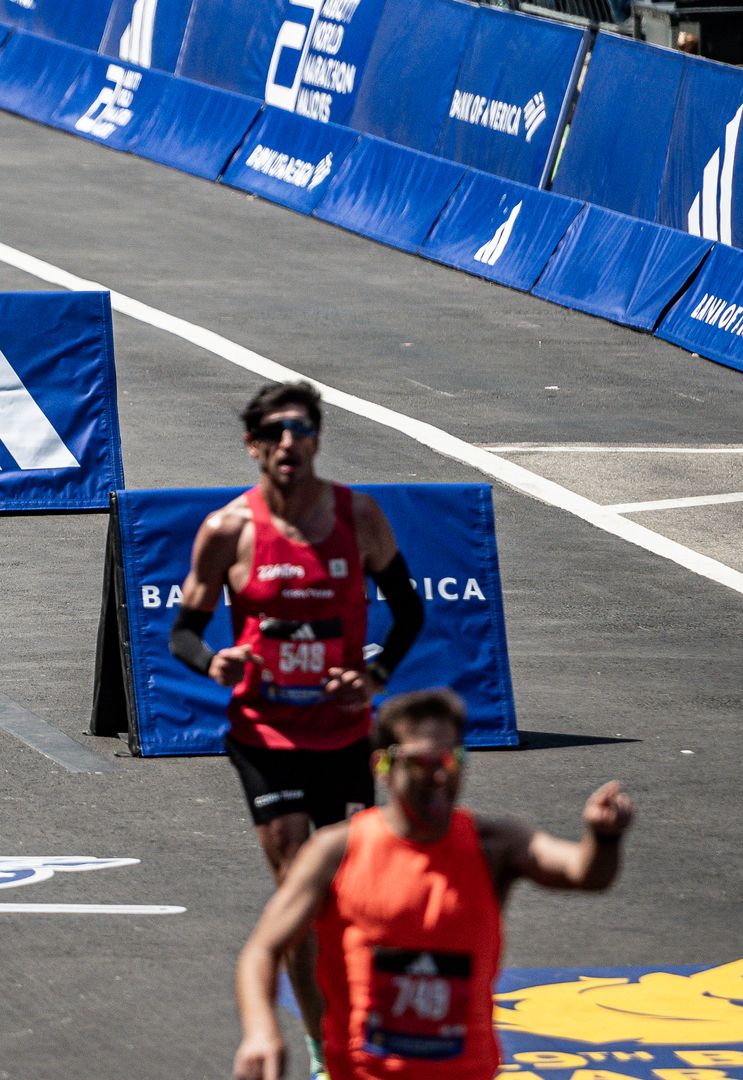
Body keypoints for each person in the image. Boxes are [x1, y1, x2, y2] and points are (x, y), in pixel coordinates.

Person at [170, 380, 427, 1074]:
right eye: (276, 431)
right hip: (265, 737)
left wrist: (374, 675)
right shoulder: (229, 530)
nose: (291, 442)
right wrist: (213, 661)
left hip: (345, 736)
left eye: (303, 428)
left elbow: (408, 611)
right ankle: (324, 1048)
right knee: (297, 889)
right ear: (254, 445)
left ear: (316, 439)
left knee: (345, 896)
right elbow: (183, 635)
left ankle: (354, 1015)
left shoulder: (358, 516)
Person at [232, 689, 635, 1080]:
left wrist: (603, 837)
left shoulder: (493, 845)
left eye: (450, 758)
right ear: (382, 766)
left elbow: (586, 874)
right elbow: (262, 951)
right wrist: (262, 1031)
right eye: (421, 762)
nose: (439, 775)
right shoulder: (336, 851)